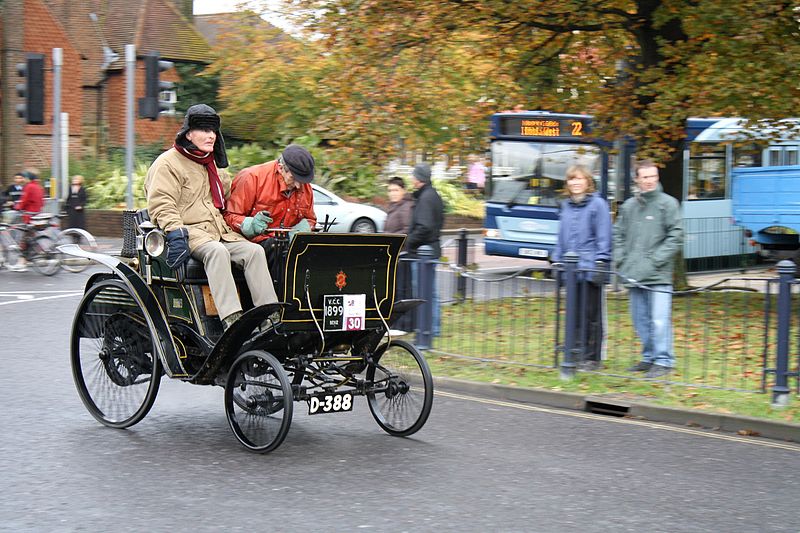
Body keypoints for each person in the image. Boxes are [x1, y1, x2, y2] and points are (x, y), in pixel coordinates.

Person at [145, 104, 279, 331]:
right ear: (188, 133)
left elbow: (231, 199)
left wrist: (252, 217)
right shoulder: (167, 163)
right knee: (217, 252)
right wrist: (175, 231)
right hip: (190, 232)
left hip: (219, 231)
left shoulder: (211, 165)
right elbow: (162, 203)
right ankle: (232, 319)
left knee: (254, 251)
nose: (211, 136)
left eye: (213, 131)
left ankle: (270, 317)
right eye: (204, 130)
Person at [614, 159, 683, 378]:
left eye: (653, 176)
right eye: (645, 177)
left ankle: (664, 360)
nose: (650, 181)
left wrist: (655, 260)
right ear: (637, 179)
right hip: (634, 272)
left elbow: (676, 235)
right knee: (640, 319)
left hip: (658, 274)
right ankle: (649, 357)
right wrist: (621, 259)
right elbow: (618, 234)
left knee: (659, 318)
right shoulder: (628, 206)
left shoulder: (668, 203)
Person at [550, 165, 612, 370]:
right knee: (574, 314)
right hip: (571, 269)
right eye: (571, 179)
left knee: (592, 315)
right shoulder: (566, 206)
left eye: (579, 179)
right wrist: (556, 259)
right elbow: (561, 237)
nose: (575, 183)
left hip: (590, 268)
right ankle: (575, 352)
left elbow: (604, 236)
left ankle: (593, 357)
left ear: (588, 182)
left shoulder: (598, 205)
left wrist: (602, 262)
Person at [224, 144, 317, 272]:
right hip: (253, 242)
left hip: (287, 243)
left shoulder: (304, 186)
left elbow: (311, 219)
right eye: (294, 178)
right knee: (279, 249)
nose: (298, 185)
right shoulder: (251, 178)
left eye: (303, 180)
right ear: (280, 168)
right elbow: (228, 216)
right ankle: (282, 292)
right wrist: (247, 224)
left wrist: (304, 228)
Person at [407, 163, 444, 338]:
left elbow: (424, 227)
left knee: (425, 293)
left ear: (418, 178)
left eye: (413, 175)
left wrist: (408, 242)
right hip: (430, 249)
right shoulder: (432, 195)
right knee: (430, 292)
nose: (411, 178)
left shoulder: (426, 198)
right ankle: (431, 327)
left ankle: (428, 330)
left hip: (423, 252)